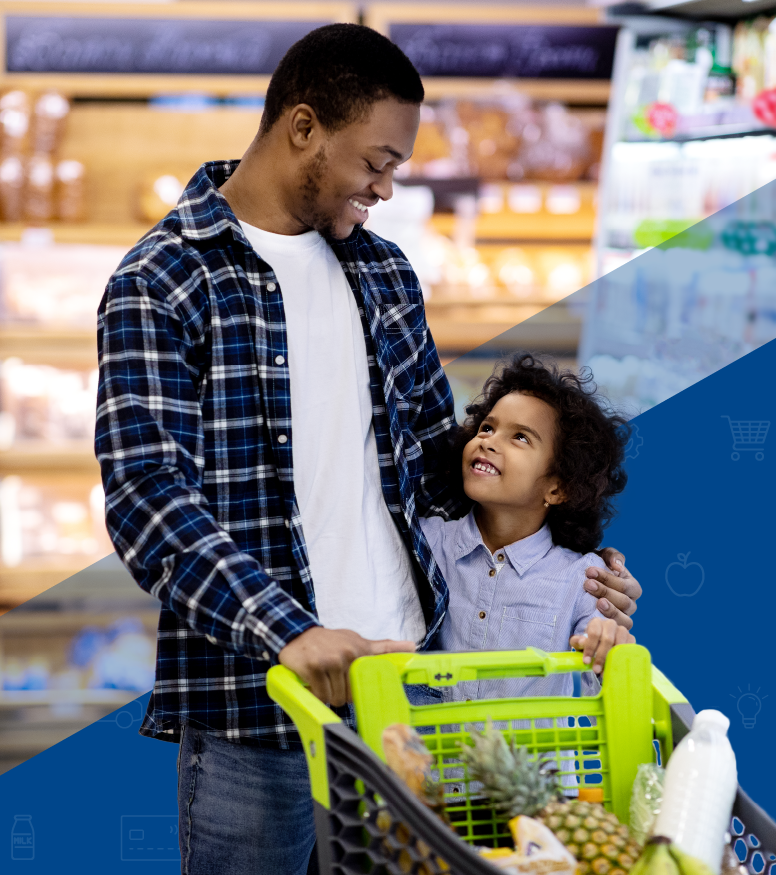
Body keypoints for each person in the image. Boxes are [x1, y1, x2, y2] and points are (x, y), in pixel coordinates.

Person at [95, 24, 642, 875]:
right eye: (377, 162)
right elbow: (146, 496)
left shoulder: (383, 273)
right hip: (259, 713)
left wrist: (570, 570)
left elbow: (440, 465)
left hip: (414, 700)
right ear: (303, 128)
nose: (386, 189)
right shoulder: (163, 280)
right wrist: (290, 633)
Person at [421, 353, 636, 705]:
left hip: (536, 761)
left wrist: (608, 642)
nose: (488, 441)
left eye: (520, 437)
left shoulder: (580, 577)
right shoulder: (428, 543)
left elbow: (605, 656)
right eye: (487, 427)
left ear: (557, 488)